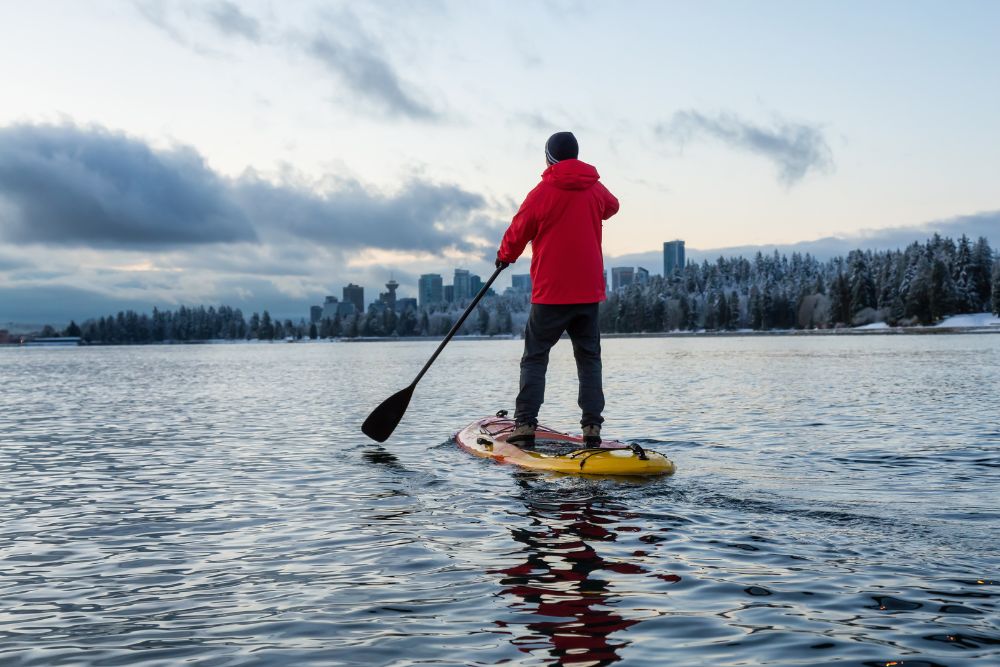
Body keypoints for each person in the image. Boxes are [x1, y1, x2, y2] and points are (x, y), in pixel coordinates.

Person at [495, 131, 619, 446]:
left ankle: (524, 424)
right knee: (589, 357)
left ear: (549, 157)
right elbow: (612, 206)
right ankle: (592, 427)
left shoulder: (541, 193)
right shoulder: (594, 188)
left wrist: (504, 257)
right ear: (576, 156)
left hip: (551, 293)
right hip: (588, 293)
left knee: (535, 357)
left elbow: (519, 229)